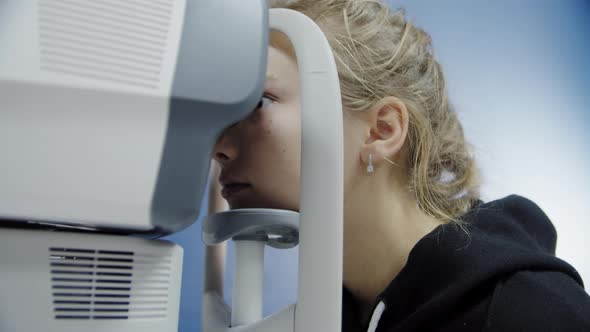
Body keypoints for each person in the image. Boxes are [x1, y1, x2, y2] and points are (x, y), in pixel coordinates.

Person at [207, 0, 590, 331]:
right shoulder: (337, 317)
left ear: (381, 130)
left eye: (258, 103)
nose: (219, 147)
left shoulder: (530, 312)